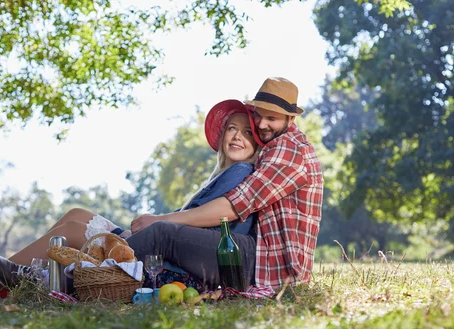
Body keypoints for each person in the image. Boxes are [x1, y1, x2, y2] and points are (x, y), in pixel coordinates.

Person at [0, 99, 262, 304]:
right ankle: (10, 281)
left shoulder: (242, 171)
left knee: (76, 228)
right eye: (232, 129)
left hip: (171, 256)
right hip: (164, 242)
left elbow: (210, 220)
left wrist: (159, 219)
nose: (236, 136)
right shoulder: (224, 173)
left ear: (256, 142)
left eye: (247, 133)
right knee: (77, 215)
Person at [128, 77, 323, 289]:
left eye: (272, 118)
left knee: (162, 233)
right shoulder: (277, 148)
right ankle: (106, 264)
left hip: (268, 263)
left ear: (290, 119)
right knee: (165, 236)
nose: (261, 124)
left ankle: (98, 270)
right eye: (258, 115)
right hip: (261, 256)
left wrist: (161, 220)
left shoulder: (288, 148)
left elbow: (234, 206)